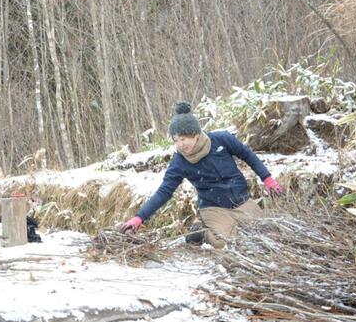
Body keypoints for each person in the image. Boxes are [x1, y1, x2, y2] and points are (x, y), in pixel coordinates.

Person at [119, 101, 284, 248]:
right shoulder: (179, 162)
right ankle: (200, 233)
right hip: (214, 207)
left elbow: (249, 156)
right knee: (228, 243)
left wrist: (268, 179)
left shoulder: (222, 139)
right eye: (175, 140)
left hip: (241, 201)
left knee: (268, 234)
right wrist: (139, 217)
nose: (180, 145)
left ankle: (228, 225)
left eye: (183, 139)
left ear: (196, 135)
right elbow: (164, 192)